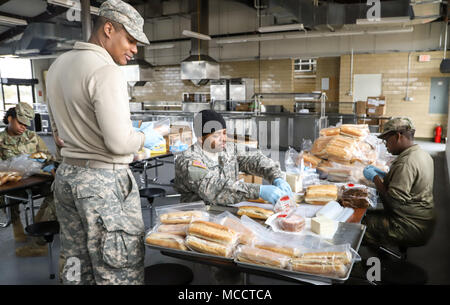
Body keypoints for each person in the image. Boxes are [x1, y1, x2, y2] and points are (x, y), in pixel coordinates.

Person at [46, 0, 162, 285]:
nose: (135, 49)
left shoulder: (58, 65)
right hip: (102, 186)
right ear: (108, 29)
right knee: (118, 267)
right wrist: (146, 136)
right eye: (131, 40)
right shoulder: (106, 70)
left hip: (67, 178)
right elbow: (120, 143)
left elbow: (59, 135)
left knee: (76, 261)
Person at [175, 109, 292, 206]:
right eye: (216, 135)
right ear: (201, 139)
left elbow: (256, 159)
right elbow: (213, 187)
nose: (224, 139)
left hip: (228, 211)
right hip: (198, 216)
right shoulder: (188, 160)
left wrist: (276, 177)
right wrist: (259, 191)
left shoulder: (229, 149)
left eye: (224, 133)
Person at [362, 117, 436, 249]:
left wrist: (375, 178)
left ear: (398, 136)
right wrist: (387, 176)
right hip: (422, 220)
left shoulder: (406, 163)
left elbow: (392, 203)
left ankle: (370, 263)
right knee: (370, 214)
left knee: (358, 225)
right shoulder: (422, 154)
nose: (386, 145)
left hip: (409, 226)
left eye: (387, 140)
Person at [0, 102, 57, 257]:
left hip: (36, 181)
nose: (23, 127)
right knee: (5, 197)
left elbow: (48, 157)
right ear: (10, 118)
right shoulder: (0, 140)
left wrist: (49, 166)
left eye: (26, 124)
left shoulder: (32, 137)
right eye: (20, 123)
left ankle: (38, 230)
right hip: (13, 184)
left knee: (56, 192)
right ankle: (16, 224)